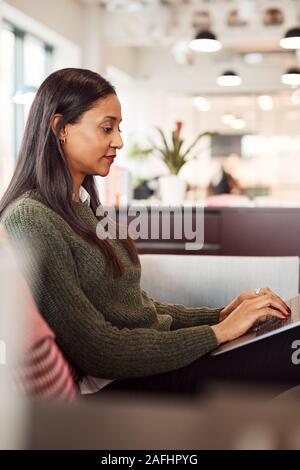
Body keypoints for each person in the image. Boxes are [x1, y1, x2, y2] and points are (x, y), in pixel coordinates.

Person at [0, 68, 298, 400]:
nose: (119, 141)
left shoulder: (81, 205)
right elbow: (98, 349)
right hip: (108, 386)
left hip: (136, 371)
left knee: (282, 339)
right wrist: (219, 332)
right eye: (106, 128)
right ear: (60, 129)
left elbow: (137, 309)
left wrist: (221, 315)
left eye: (118, 128)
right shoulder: (31, 217)